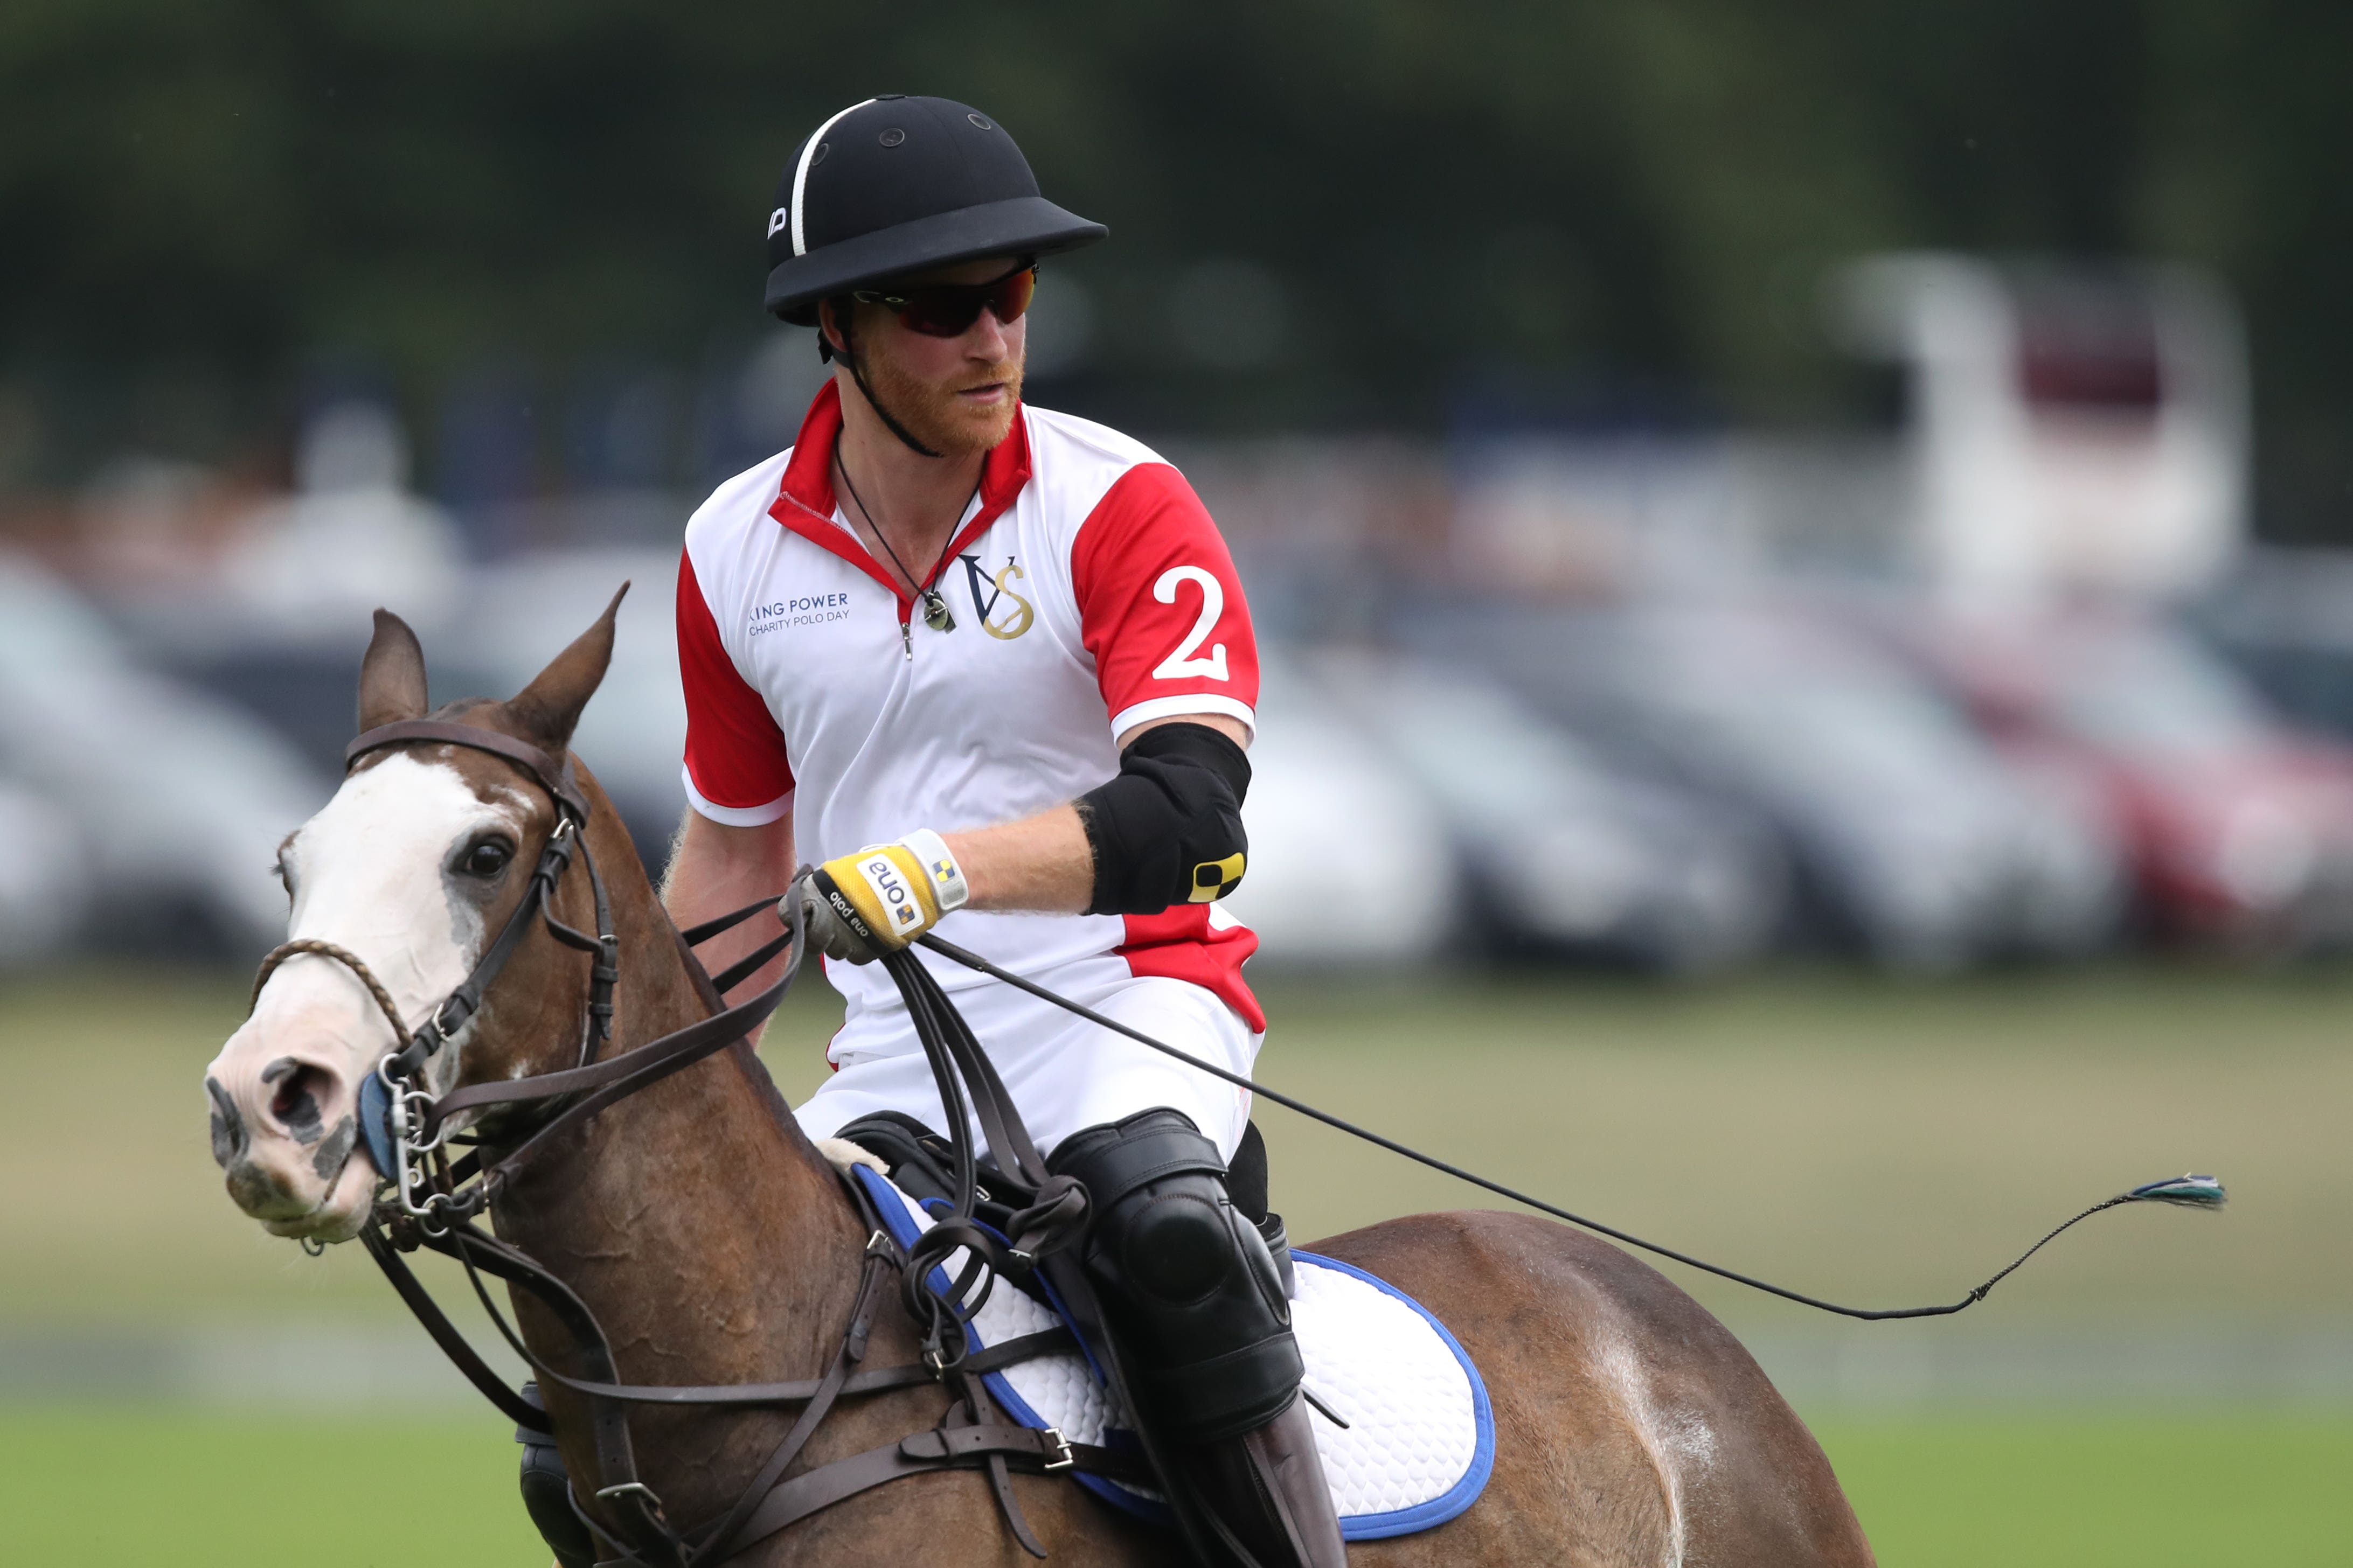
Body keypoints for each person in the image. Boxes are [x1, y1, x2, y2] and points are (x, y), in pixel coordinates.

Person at [661, 96, 1345, 1567]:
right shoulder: (729, 549)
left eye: (1015, 291)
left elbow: (1189, 819)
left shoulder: (1122, 503)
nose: (993, 338)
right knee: (660, 1314)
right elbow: (731, 858)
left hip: (1134, 1006)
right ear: (836, 326)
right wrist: (639, 1086)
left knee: (1165, 1236)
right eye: (942, 307)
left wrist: (936, 872)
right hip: (894, 1061)